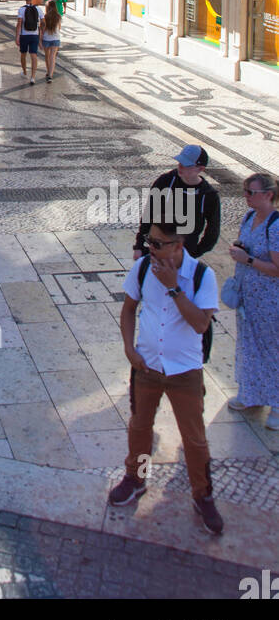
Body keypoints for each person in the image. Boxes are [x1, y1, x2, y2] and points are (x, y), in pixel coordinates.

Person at [109, 218, 222, 535]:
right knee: (141, 426)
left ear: (178, 245)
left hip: (184, 371)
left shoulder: (202, 276)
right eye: (149, 241)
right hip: (147, 367)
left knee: (194, 438)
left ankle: (203, 495)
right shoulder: (143, 268)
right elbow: (129, 309)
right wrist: (129, 349)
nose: (151, 248)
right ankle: (136, 478)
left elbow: (200, 324)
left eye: (158, 243)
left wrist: (174, 287)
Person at [226, 173, 279, 429]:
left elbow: (277, 268)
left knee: (272, 350)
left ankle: (277, 405)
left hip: (270, 300)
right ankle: (251, 395)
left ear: (268, 195)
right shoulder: (248, 217)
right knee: (249, 346)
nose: (245, 196)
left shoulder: (276, 225)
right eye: (245, 190)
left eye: (251, 192)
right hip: (248, 296)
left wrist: (247, 260)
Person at [133, 146, 221, 260]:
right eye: (180, 162)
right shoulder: (165, 181)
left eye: (186, 165)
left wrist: (195, 252)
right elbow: (149, 214)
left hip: (184, 255)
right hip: (157, 250)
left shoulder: (208, 195)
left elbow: (213, 231)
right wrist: (139, 245)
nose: (180, 166)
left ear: (200, 169)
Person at [15, 0, 40, 84]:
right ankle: (33, 77)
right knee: (34, 55)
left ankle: (25, 72)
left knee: (23, 54)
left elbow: (19, 23)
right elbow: (42, 22)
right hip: (34, 35)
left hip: (24, 35)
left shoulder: (22, 9)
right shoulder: (38, 9)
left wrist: (17, 36)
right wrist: (40, 35)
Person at [39, 0, 62, 82]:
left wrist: (40, 41)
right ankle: (50, 75)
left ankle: (48, 71)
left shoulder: (44, 17)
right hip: (56, 39)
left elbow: (42, 30)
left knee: (47, 56)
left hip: (46, 39)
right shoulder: (59, 16)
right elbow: (59, 28)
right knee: (52, 57)